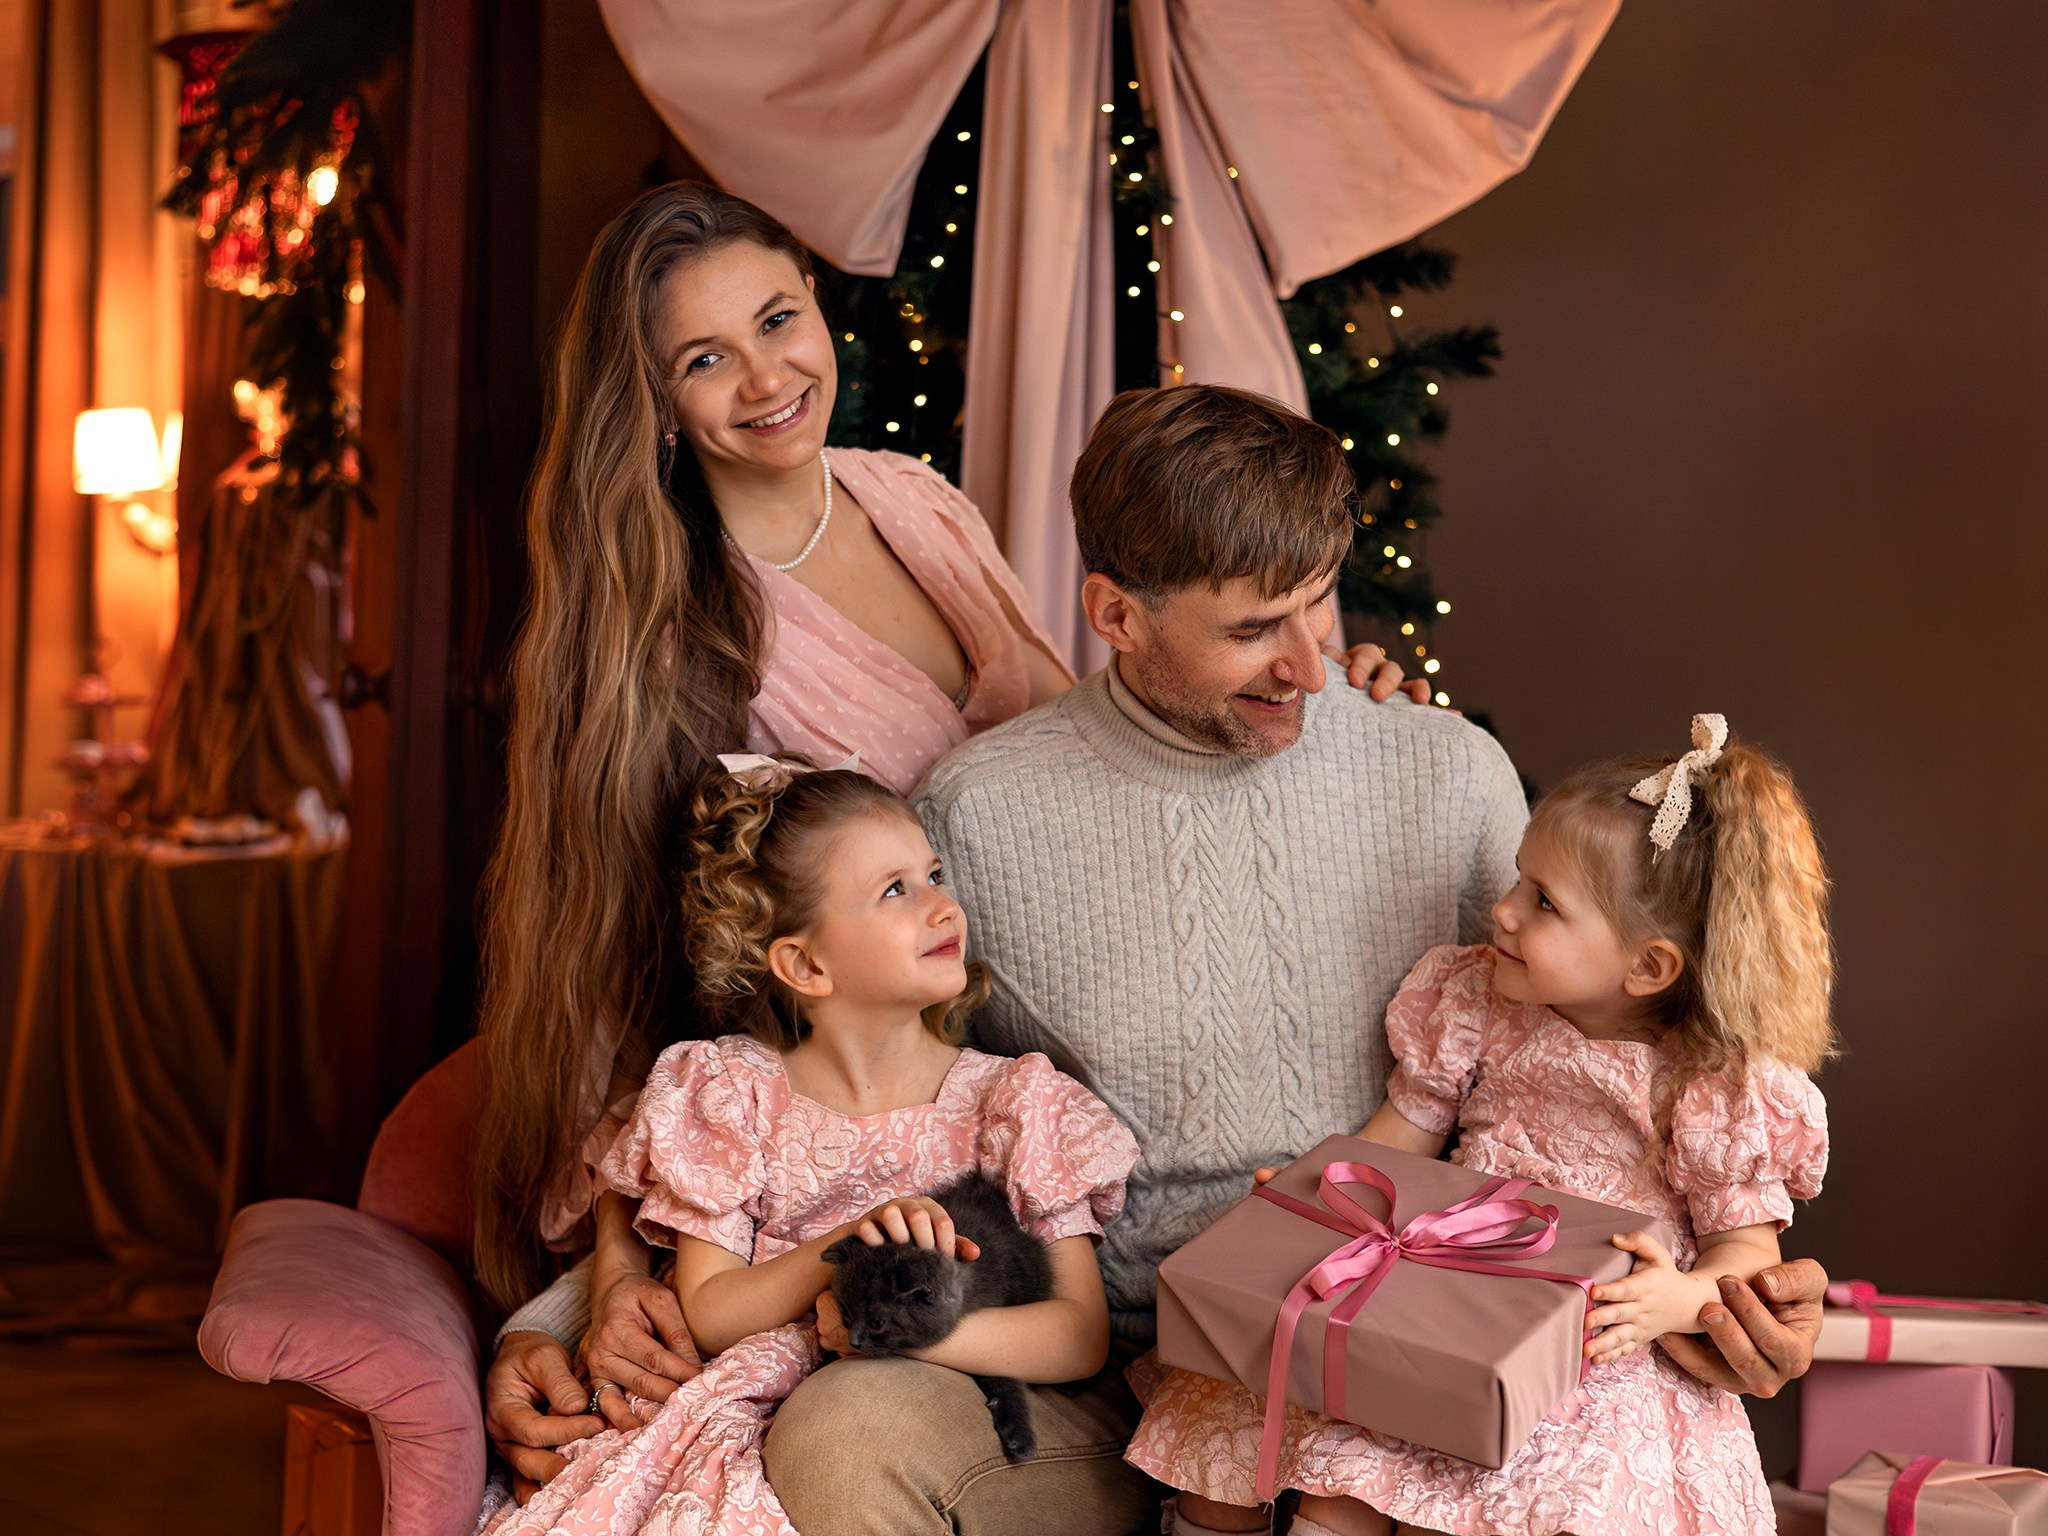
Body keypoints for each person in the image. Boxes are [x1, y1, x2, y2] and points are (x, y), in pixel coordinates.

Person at [757, 388, 1834, 1536]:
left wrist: (1731, 1300)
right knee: (844, 1439)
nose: (1309, 672)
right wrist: (627, 1278)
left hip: (1444, 1353)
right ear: (1114, 614)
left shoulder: (1446, 773)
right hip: (1139, 1367)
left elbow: (1628, 1057)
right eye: (1248, 632)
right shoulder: (976, 822)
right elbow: (849, 1085)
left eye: (1315, 607)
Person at [475, 184, 1416, 1489]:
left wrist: (1294, 673)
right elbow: (625, 974)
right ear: (652, 399)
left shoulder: (908, 499)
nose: (767, 376)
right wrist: (621, 1265)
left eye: (778, 318)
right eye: (706, 358)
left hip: (1082, 1038)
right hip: (896, 1112)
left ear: (817, 304)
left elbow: (1099, 724)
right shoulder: (670, 631)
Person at [1126, 713, 1832, 1536]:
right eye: (1515, 880)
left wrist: (1674, 1298)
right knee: (1295, 1469)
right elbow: (1395, 1142)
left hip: (1595, 1349)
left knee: (1470, 1505)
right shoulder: (1475, 1003)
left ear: (1648, 966)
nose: (1499, 912)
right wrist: (1308, 1204)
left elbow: (1744, 1258)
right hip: (1435, 1303)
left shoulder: (1717, 1085)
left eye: (1542, 902)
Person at [481, 756, 1138, 1534]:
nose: (943, 906)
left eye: (933, 873)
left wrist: (910, 1335)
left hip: (930, 1410)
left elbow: (1079, 1334)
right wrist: (852, 1235)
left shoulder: (1013, 1103)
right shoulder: (734, 1094)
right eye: (896, 890)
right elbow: (713, 1311)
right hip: (754, 1402)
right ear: (805, 964)